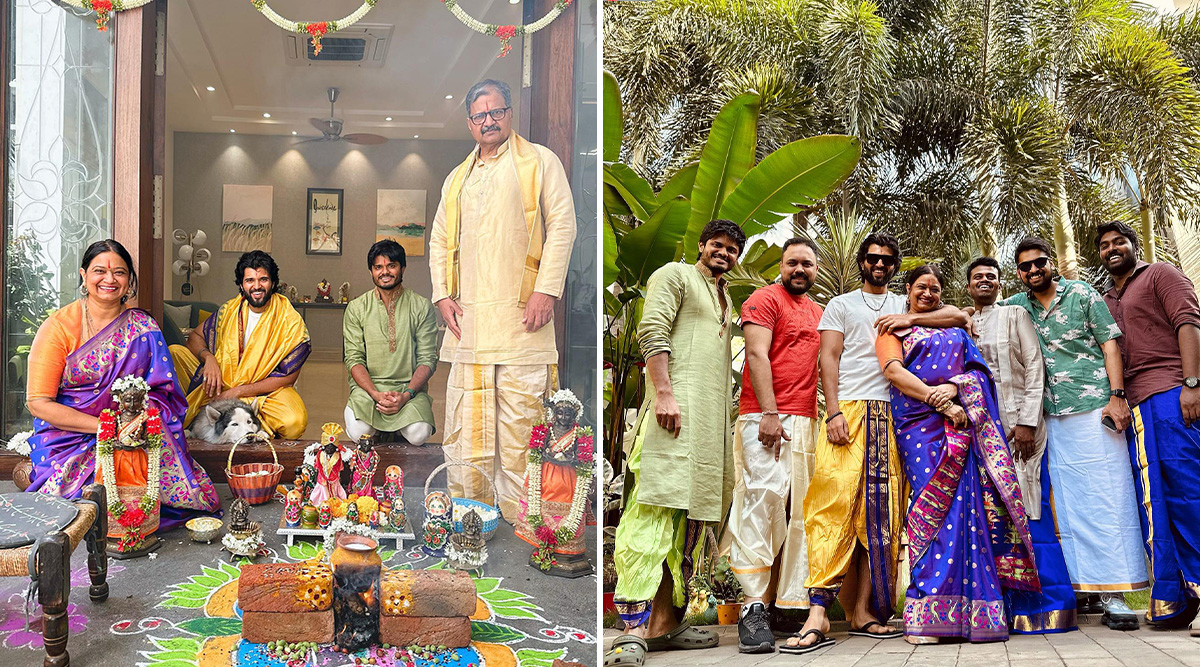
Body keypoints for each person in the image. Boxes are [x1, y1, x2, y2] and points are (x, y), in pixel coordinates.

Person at [787, 232, 970, 654]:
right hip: (848, 410)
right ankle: (817, 613)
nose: (880, 264)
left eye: (888, 259)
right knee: (830, 504)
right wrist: (831, 412)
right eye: (873, 257)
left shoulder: (905, 303)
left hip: (894, 416)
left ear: (896, 267)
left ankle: (865, 612)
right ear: (862, 262)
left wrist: (912, 318)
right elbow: (828, 359)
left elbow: (959, 317)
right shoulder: (841, 304)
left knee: (882, 514)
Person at [429, 79, 576, 522]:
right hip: (469, 323)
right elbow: (438, 240)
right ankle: (472, 517)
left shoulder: (539, 162)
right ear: (469, 123)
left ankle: (524, 521)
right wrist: (441, 296)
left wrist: (546, 290)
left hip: (521, 321)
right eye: (479, 115)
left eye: (496, 112)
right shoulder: (458, 177)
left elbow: (564, 226)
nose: (488, 121)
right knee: (467, 428)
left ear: (509, 114)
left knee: (521, 427)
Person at [607, 220, 746, 667]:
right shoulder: (674, 274)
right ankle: (632, 629)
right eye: (717, 245)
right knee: (651, 512)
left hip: (706, 428)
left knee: (687, 525)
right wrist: (664, 392)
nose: (723, 253)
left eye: (732, 249)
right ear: (701, 245)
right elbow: (653, 331)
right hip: (674, 416)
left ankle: (665, 624)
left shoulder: (725, 297)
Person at [876, 264, 1038, 643]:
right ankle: (929, 611)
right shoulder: (892, 329)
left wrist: (955, 385)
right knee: (931, 511)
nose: (928, 293)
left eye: (934, 288)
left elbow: (979, 373)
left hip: (962, 425)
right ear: (908, 290)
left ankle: (976, 615)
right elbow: (895, 373)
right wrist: (940, 401)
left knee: (969, 512)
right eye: (921, 287)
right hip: (920, 426)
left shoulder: (957, 329)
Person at [25, 239, 220, 528]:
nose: (109, 279)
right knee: (81, 502)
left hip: (135, 428)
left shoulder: (143, 327)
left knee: (138, 482)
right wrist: (107, 428)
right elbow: (38, 402)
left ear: (129, 281)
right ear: (84, 275)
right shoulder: (59, 327)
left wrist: (135, 422)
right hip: (72, 434)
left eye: (119, 272)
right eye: (99, 271)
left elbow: (165, 393)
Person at [1004, 236, 1146, 630]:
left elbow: (1110, 345)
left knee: (1106, 498)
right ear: (1019, 272)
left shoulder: (1081, 293)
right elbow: (971, 314)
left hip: (1094, 408)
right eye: (1025, 266)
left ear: (1051, 263)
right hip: (1049, 416)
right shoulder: (1017, 306)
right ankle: (1082, 589)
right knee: (1064, 504)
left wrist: (1117, 397)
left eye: (1039, 263)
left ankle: (1115, 595)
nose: (1034, 270)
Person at [1096, 221, 1200, 630]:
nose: (1111, 249)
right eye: (1104, 246)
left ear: (1134, 246)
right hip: (1134, 407)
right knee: (1153, 501)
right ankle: (1175, 600)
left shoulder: (1160, 273)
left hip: (1172, 394)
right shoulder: (1104, 299)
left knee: (1187, 490)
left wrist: (1192, 384)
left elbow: (1188, 323)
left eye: (1119, 241)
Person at [966, 257, 1077, 635]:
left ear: (1000, 284)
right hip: (980, 432)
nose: (984, 281)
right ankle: (1003, 608)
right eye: (977, 277)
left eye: (991, 277)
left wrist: (1028, 421)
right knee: (992, 518)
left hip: (1018, 428)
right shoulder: (962, 322)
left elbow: (1034, 365)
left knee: (1031, 511)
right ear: (968, 286)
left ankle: (1049, 606)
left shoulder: (1014, 314)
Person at [727, 238, 822, 653]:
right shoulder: (764, 299)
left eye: (806, 264)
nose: (799, 269)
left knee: (802, 510)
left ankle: (788, 604)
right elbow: (756, 353)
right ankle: (752, 608)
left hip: (806, 419)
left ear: (815, 269)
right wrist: (769, 411)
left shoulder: (819, 311)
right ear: (781, 266)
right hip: (764, 415)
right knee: (760, 503)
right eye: (792, 263)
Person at [170, 251, 311, 439]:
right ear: (241, 285)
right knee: (175, 352)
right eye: (250, 280)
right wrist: (209, 358)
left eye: (263, 279)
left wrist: (237, 392)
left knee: (294, 422)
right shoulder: (229, 310)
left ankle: (240, 420)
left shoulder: (290, 320)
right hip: (221, 383)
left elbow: (288, 378)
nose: (257, 286)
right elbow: (194, 337)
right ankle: (237, 417)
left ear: (273, 283)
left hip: (264, 394)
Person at [343, 240, 438, 446]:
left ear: (402, 268)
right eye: (378, 267)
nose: (384, 272)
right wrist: (375, 394)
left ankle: (393, 428)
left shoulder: (421, 306)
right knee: (360, 432)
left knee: (419, 434)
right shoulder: (357, 308)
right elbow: (353, 359)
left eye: (391, 266)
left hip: (408, 390)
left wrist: (406, 395)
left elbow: (428, 359)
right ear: (371, 271)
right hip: (369, 390)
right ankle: (383, 429)